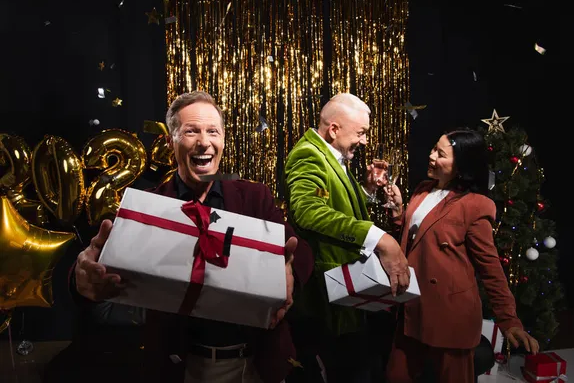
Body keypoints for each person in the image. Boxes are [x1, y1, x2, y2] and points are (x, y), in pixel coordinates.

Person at [70, 91, 313, 383]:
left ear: (222, 140)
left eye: (213, 131)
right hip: (181, 367)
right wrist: (80, 278)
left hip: (256, 363)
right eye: (191, 131)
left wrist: (289, 270)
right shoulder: (148, 206)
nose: (204, 141)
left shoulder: (253, 196)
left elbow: (301, 252)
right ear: (172, 141)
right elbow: (95, 263)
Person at [383, 129, 539, 383]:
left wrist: (509, 320)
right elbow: (414, 239)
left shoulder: (475, 205)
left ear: (460, 165)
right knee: (396, 376)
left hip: (450, 316)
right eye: (434, 148)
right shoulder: (423, 190)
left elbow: (490, 267)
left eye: (440, 153)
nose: (431, 156)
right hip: (412, 307)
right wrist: (399, 211)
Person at [283, 93, 410, 383]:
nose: (365, 140)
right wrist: (379, 238)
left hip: (346, 297)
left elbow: (337, 205)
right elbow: (308, 211)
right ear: (334, 129)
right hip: (326, 300)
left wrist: (365, 190)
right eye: (361, 133)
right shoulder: (307, 155)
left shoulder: (331, 155)